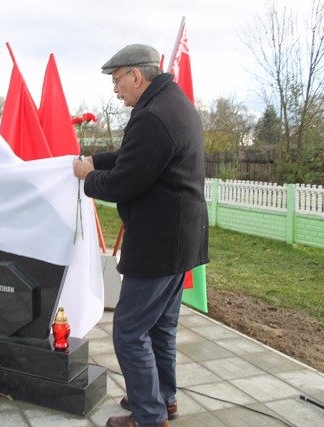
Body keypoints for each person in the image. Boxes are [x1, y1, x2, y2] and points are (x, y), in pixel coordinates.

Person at [73, 44, 209, 427]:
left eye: (117, 80)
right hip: (180, 239)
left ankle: (149, 417)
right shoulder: (173, 103)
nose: (115, 90)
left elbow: (125, 182)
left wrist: (87, 176)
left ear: (136, 75)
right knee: (161, 326)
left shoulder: (151, 116)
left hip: (157, 244)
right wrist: (96, 160)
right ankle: (163, 399)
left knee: (130, 331)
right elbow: (136, 156)